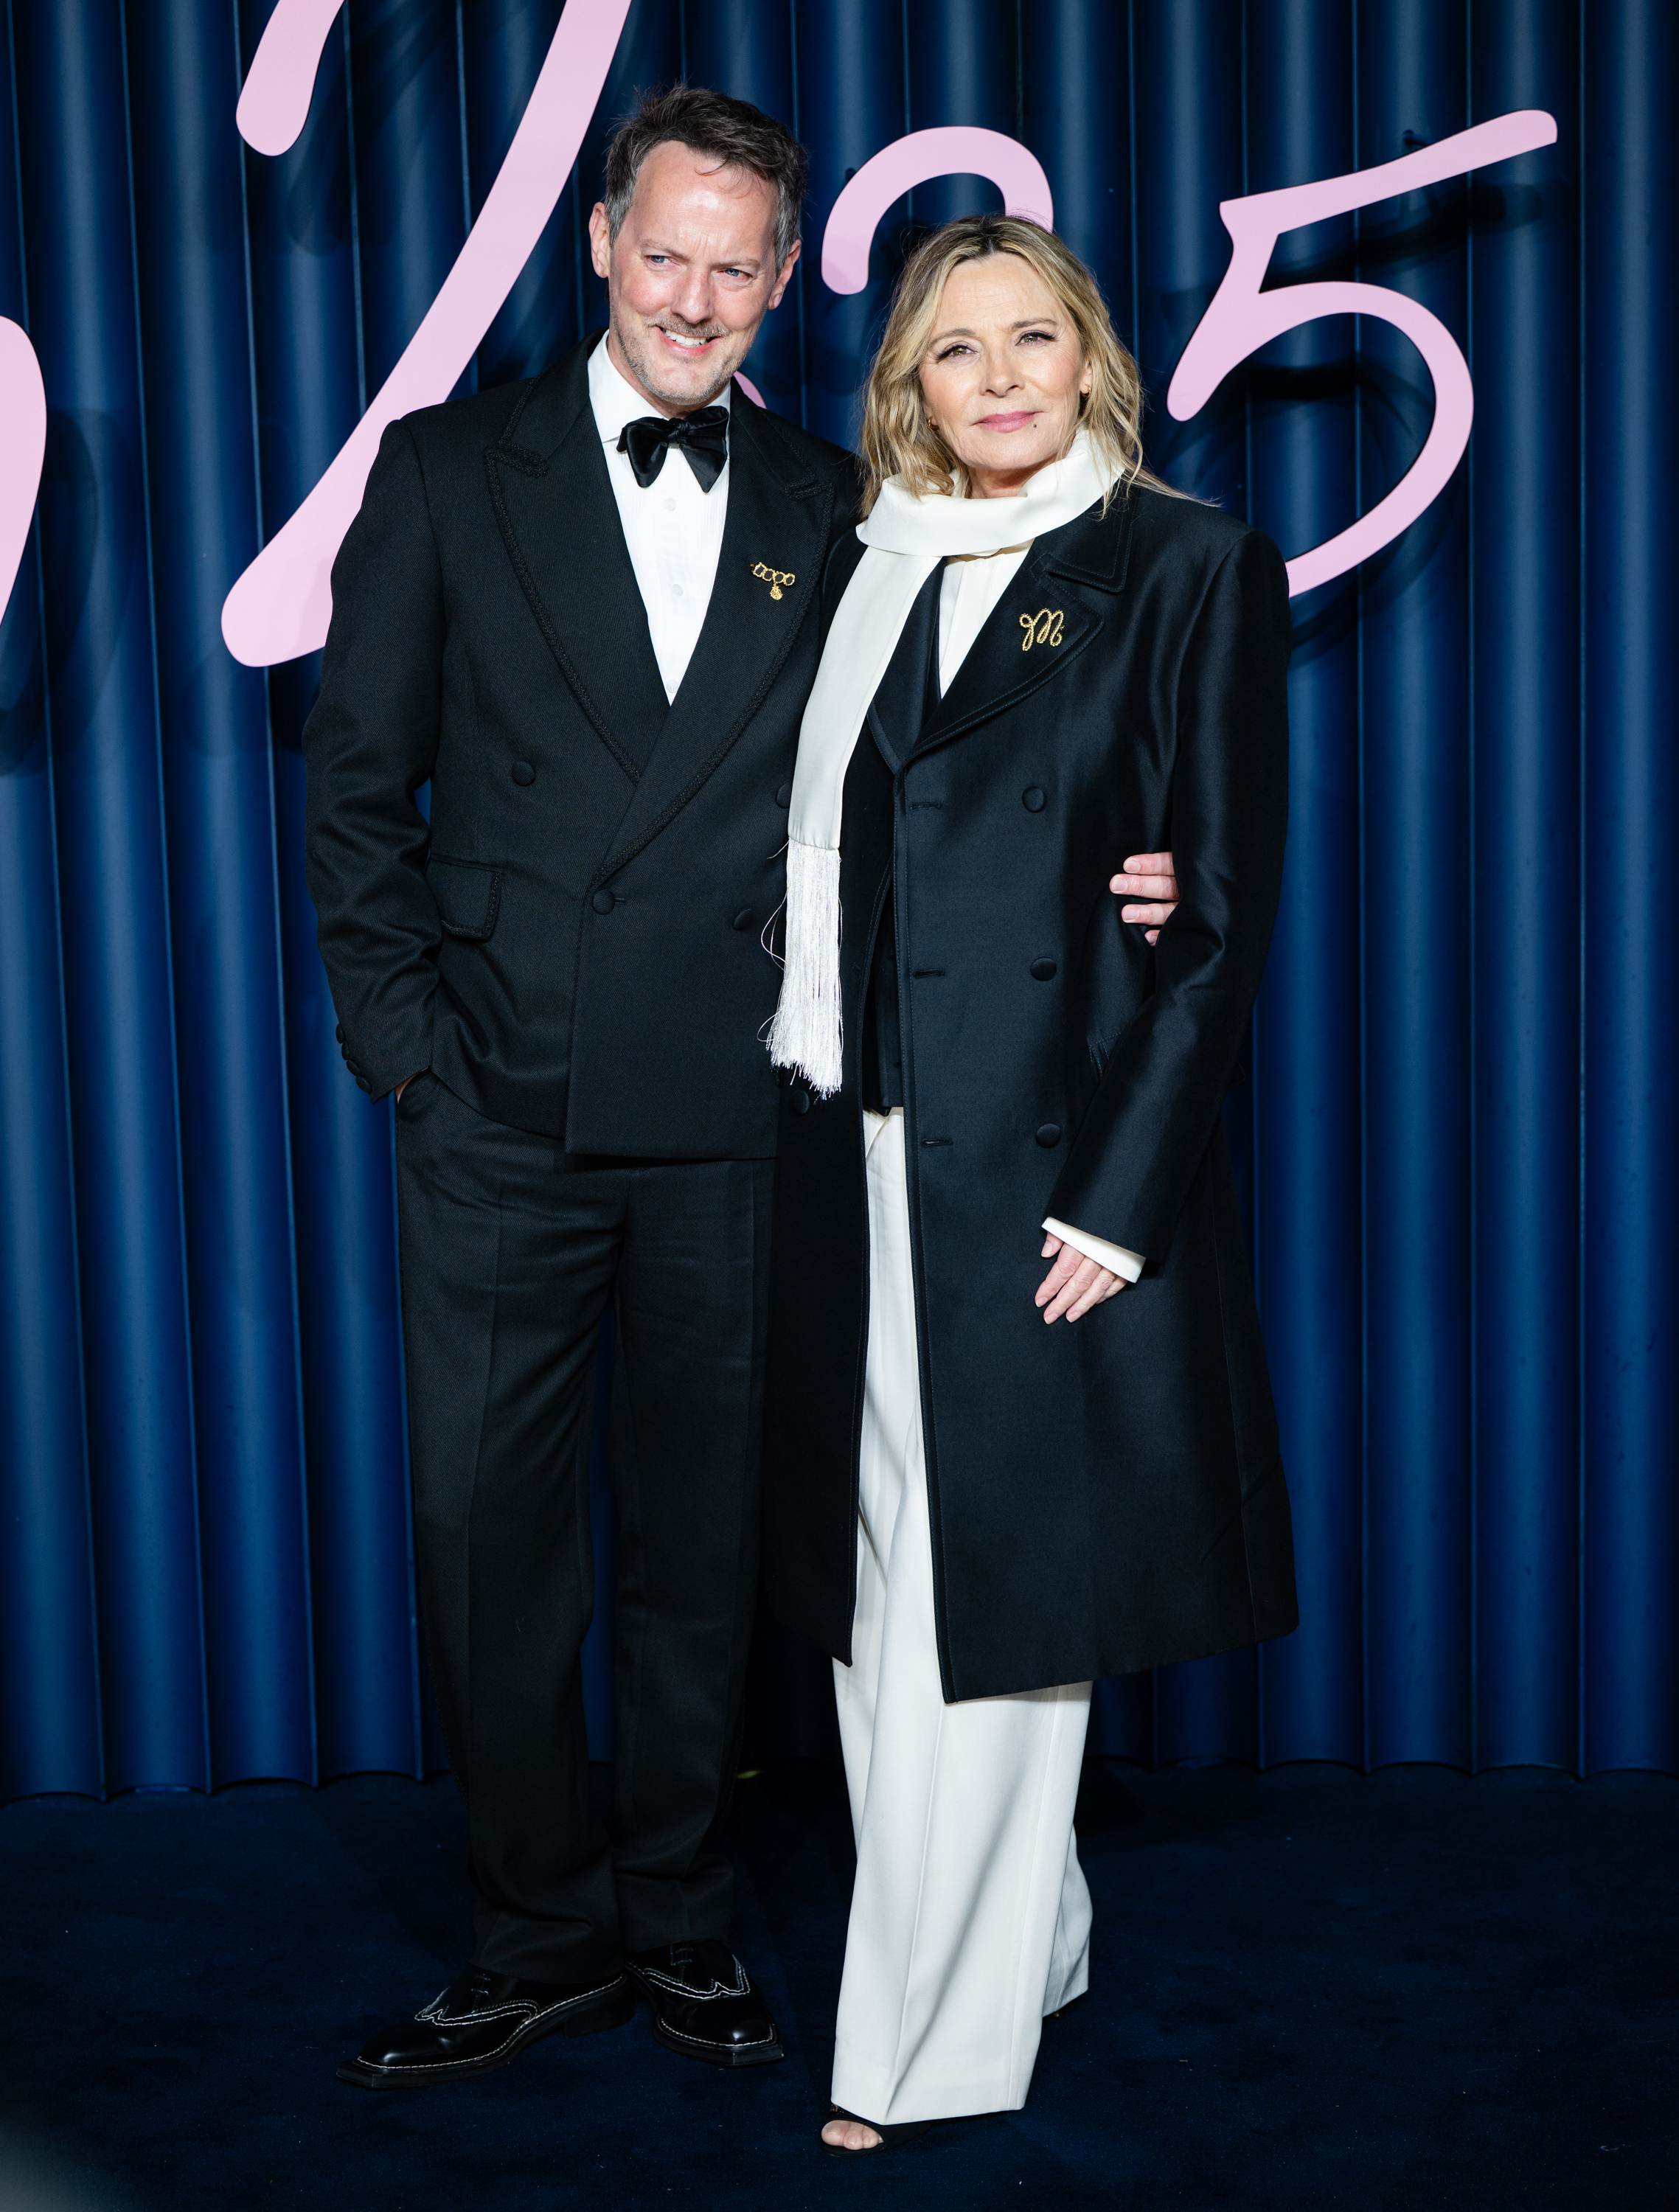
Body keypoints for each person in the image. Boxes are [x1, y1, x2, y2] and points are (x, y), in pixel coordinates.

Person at [305, 84, 864, 2087]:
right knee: (490, 1540)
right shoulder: (450, 473)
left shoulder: (827, 499)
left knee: (704, 1544)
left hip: (728, 1110)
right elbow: (357, 794)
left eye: (740, 266)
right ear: (600, 247)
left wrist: (1135, 858)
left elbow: (922, 786)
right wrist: (409, 1059)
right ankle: (541, 1929)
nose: (698, 298)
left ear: (784, 279)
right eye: (668, 253)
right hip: (499, 1111)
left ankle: (687, 1921)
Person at [762, 214, 1298, 2154]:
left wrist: (1125, 1203)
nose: (997, 375)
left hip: (1047, 1168)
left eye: (1032, 337)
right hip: (858, 1144)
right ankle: (1034, 1929)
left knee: (989, 1607)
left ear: (1091, 358)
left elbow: (1220, 916)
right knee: (880, 1595)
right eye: (953, 348)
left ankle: (920, 2040)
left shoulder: (1186, 565)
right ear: (908, 382)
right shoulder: (864, 569)